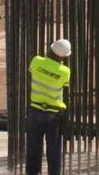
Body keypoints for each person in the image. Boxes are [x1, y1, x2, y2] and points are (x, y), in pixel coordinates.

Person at [27, 39, 72, 175]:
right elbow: (64, 86)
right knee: (54, 150)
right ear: (62, 56)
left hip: (35, 111)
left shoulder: (36, 61)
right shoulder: (65, 71)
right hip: (53, 115)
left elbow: (32, 74)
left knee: (33, 147)